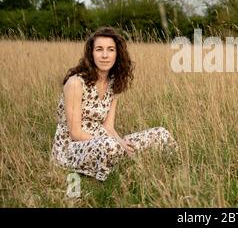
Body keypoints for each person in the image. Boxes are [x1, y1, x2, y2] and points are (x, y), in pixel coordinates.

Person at [51, 27, 178, 181]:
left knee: (160, 134)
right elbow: (75, 133)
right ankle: (106, 178)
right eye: (99, 49)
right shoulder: (76, 83)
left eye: (110, 50)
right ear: (91, 54)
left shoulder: (114, 83)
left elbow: (108, 127)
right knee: (111, 147)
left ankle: (175, 171)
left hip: (104, 142)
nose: (105, 55)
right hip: (71, 149)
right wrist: (115, 145)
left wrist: (122, 143)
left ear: (117, 54)